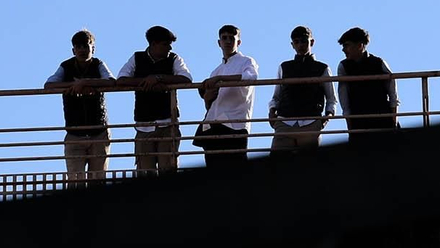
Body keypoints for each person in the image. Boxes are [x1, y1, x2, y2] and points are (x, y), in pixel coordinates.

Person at [116, 25, 193, 174]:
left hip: (168, 123)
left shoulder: (174, 58)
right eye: (165, 44)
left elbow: (186, 78)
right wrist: (146, 81)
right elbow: (121, 79)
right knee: (145, 173)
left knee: (168, 171)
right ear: (153, 44)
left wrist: (158, 78)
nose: (169, 48)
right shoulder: (137, 58)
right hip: (144, 124)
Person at [44, 29, 114, 183]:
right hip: (75, 133)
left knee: (98, 180)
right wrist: (74, 85)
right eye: (78, 46)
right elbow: (49, 85)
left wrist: (86, 83)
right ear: (73, 50)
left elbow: (111, 81)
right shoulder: (66, 66)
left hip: (98, 132)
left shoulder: (98, 64)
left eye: (86, 46)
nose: (82, 50)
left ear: (93, 49)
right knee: (75, 182)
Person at [196, 25, 259, 170]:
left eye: (232, 38)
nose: (228, 41)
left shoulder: (247, 61)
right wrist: (207, 97)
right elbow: (210, 105)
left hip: (234, 124)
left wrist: (220, 79)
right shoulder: (215, 71)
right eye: (224, 38)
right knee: (212, 171)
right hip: (212, 124)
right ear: (219, 42)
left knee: (236, 171)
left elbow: (251, 78)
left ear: (239, 42)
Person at [267, 25, 336, 153]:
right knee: (277, 167)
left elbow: (331, 98)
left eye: (304, 41)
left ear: (312, 42)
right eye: (296, 42)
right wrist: (272, 111)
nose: (300, 45)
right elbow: (277, 95)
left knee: (308, 169)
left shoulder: (322, 68)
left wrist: (326, 118)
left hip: (311, 122)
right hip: (284, 122)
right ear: (292, 44)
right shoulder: (284, 67)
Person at [336, 27, 399, 146]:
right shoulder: (344, 66)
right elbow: (343, 97)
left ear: (360, 45)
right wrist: (349, 122)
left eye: (347, 45)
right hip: (359, 118)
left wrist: (393, 118)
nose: (344, 50)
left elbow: (392, 93)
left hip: (381, 117)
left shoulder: (378, 63)